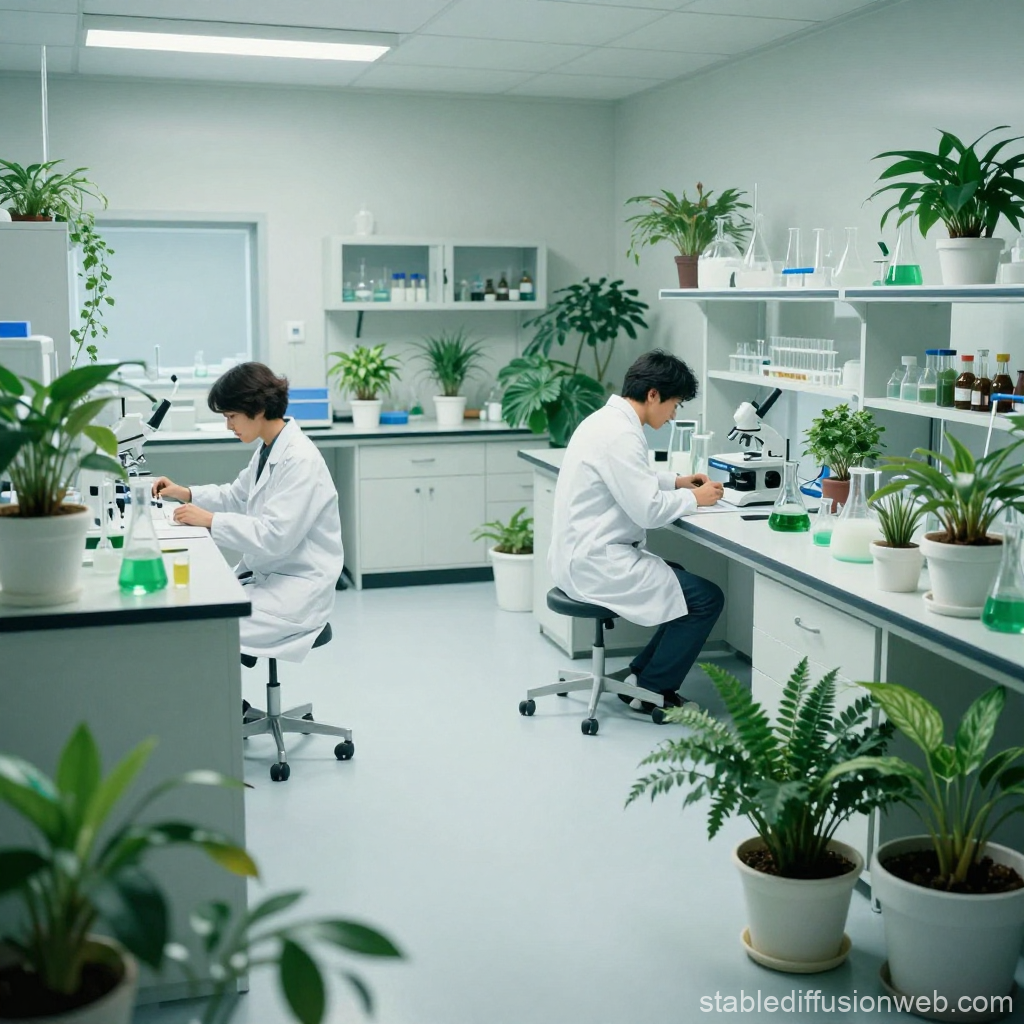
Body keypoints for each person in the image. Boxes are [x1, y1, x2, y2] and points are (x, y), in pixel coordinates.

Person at [549, 349, 725, 713]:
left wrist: (675, 480)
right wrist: (696, 499)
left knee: (676, 576)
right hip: (595, 563)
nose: (674, 414)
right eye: (675, 404)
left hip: (578, 556)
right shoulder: (622, 434)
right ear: (653, 395)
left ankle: (641, 678)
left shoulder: (606, 421)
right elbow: (647, 510)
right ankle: (653, 693)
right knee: (706, 598)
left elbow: (626, 477)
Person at [151, 362, 344, 662]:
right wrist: (184, 492)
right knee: (196, 604)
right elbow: (236, 496)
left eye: (231, 416)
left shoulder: (300, 460)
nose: (229, 425)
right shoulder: (269, 448)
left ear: (256, 408)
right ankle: (224, 706)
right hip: (269, 577)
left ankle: (223, 708)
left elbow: (275, 536)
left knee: (206, 626)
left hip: (297, 593)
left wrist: (210, 521)